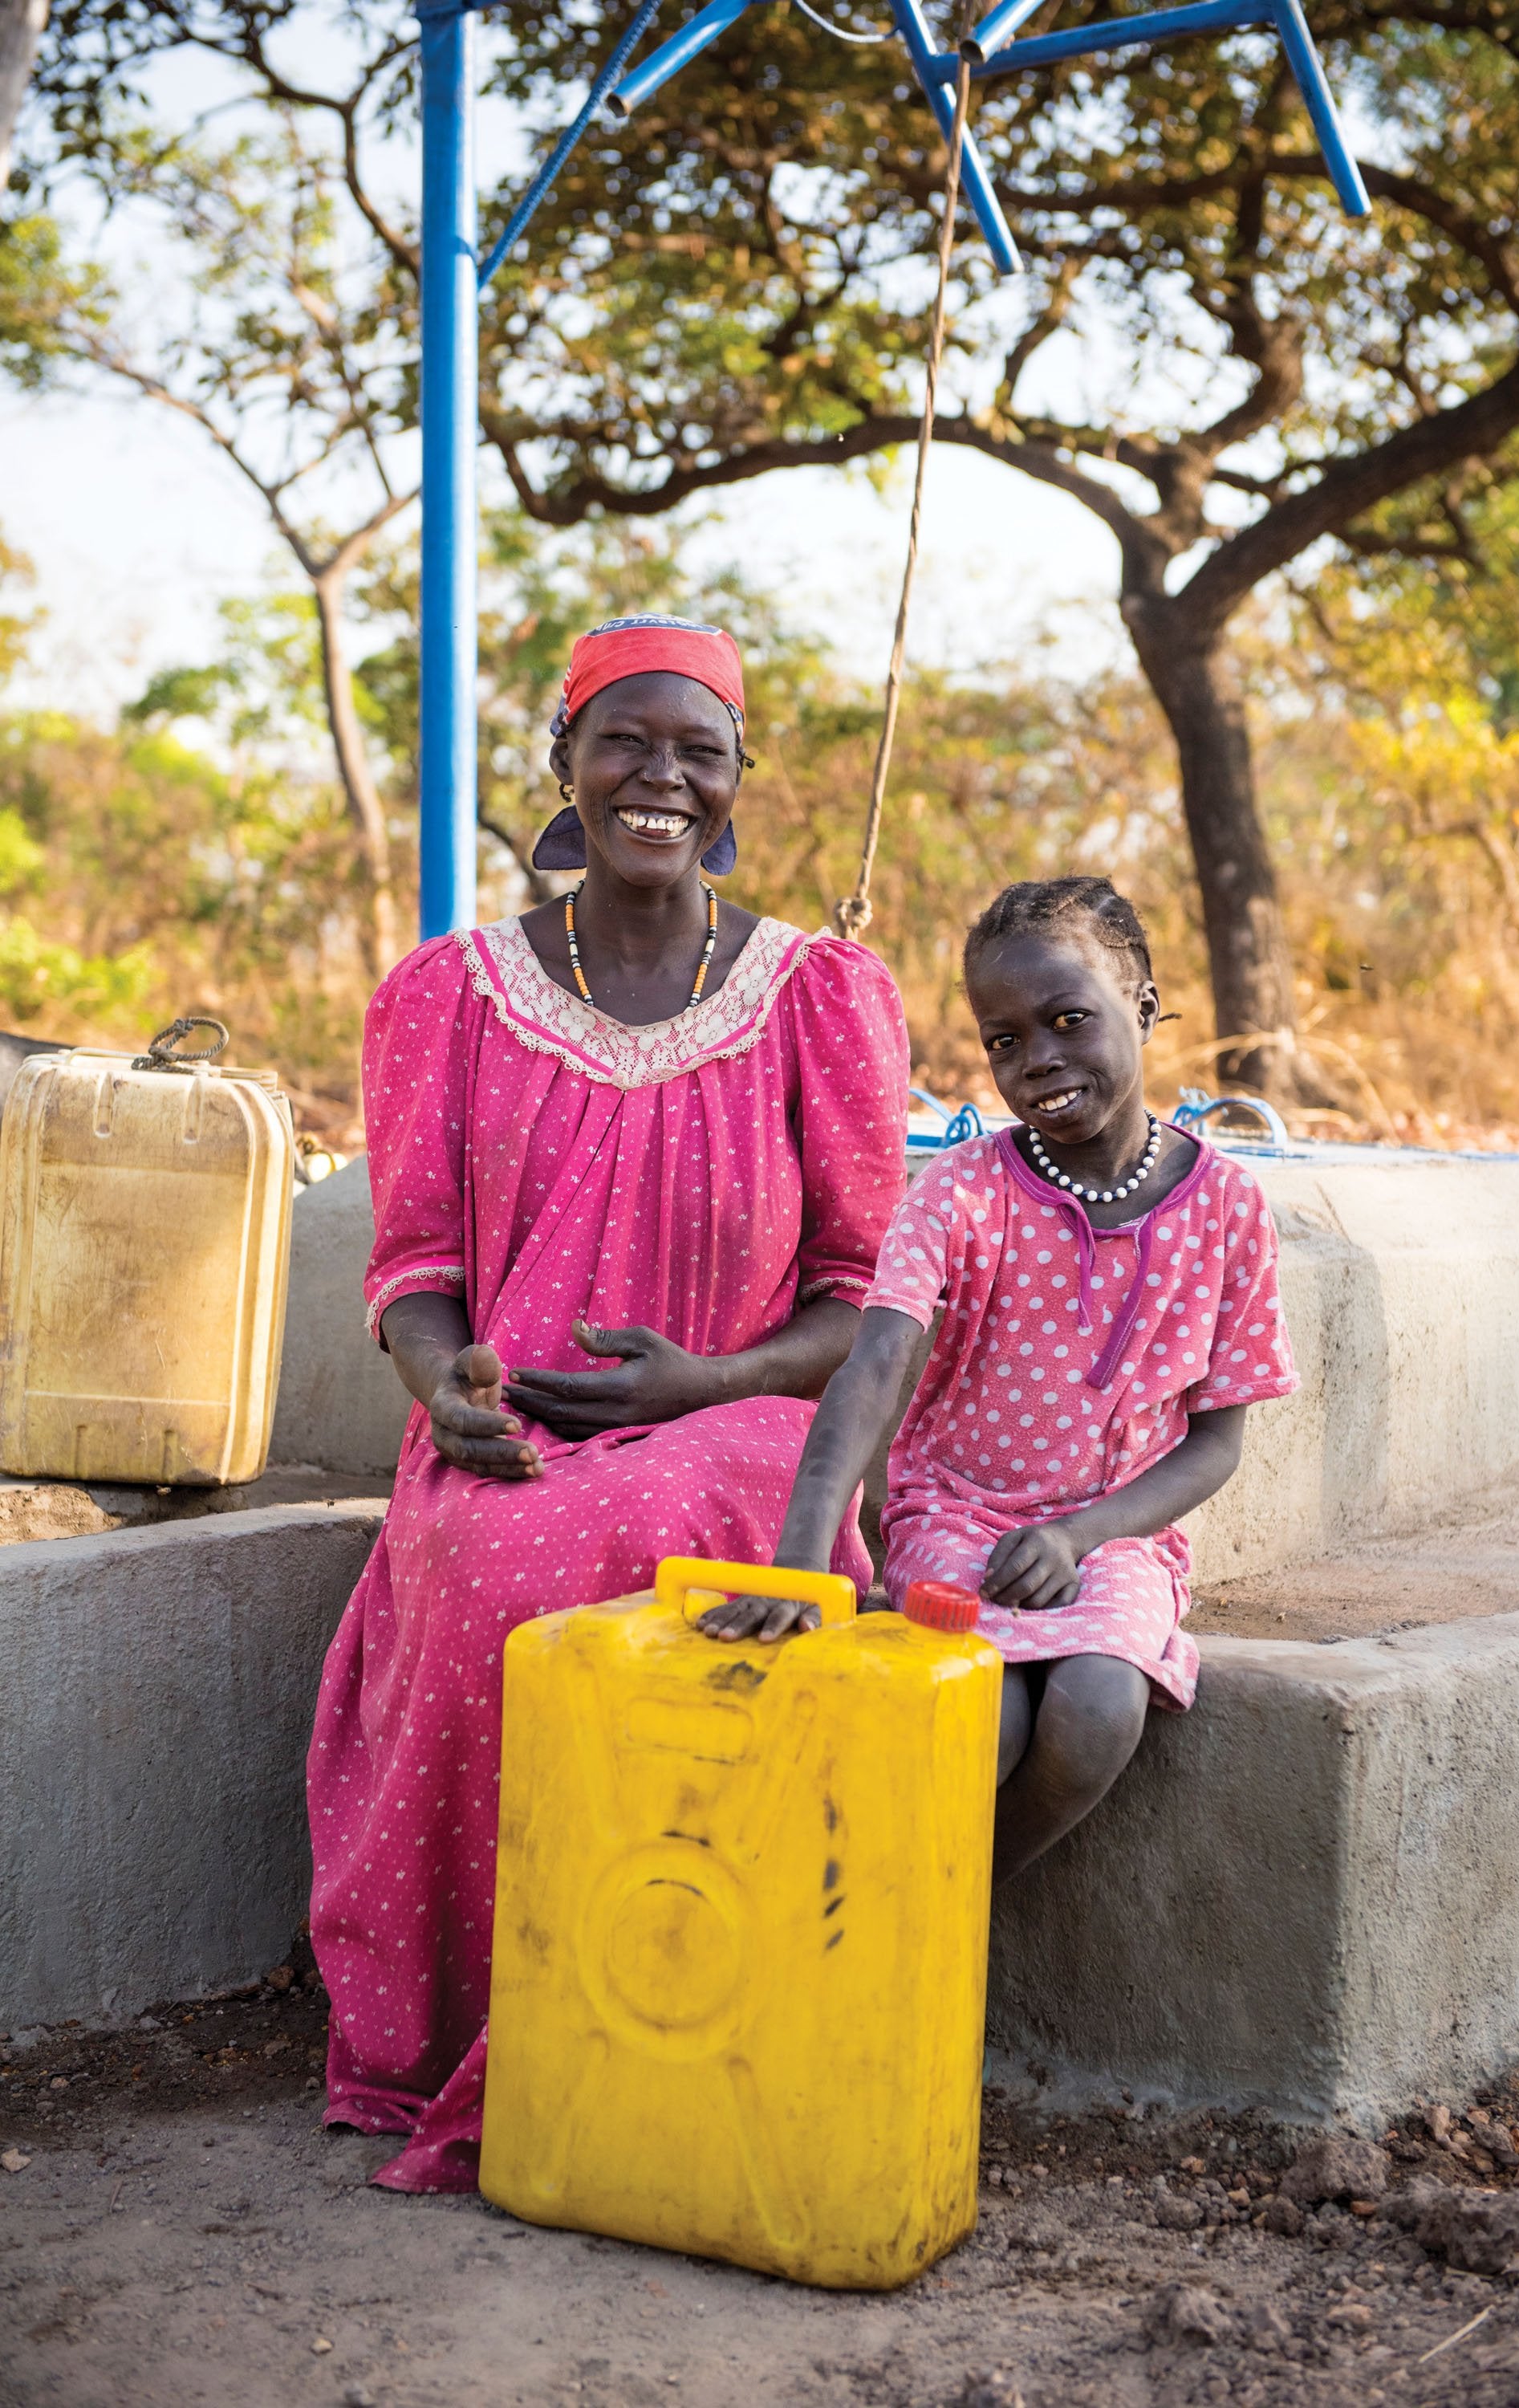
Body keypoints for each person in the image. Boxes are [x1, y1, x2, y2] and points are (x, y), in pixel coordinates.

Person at [310, 612, 909, 2191]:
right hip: (514, 1436)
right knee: (488, 1550)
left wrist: (703, 1378)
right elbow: (417, 1263)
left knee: (612, 1536)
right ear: (564, 766)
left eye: (694, 751)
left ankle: (644, 2004)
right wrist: (450, 1394)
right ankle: (490, 2025)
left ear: (737, 781)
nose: (659, 777)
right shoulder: (447, 993)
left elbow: (859, 1302)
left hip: (748, 1420)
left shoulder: (817, 996)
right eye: (623, 743)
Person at [700, 876, 1296, 1881]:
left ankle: (963, 1912)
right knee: (987, 1720)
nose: (1038, 1062)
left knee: (1096, 1710)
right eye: (1004, 1041)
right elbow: (871, 1368)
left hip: (1112, 1536)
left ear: (1141, 1006)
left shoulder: (1229, 1208)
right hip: (956, 1516)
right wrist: (802, 1559)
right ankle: (908, 1920)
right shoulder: (963, 1193)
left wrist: (1080, 1534)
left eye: (1069, 1020)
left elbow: (1215, 1443)